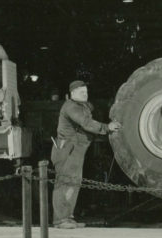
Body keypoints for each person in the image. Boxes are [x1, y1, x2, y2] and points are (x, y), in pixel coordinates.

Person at [51, 80, 121, 228]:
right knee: (65, 183)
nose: (85, 94)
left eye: (86, 92)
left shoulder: (81, 106)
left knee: (73, 183)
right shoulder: (71, 107)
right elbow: (86, 123)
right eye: (82, 92)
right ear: (73, 93)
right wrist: (107, 127)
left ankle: (68, 217)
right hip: (68, 150)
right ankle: (60, 220)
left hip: (76, 150)